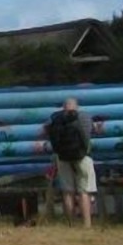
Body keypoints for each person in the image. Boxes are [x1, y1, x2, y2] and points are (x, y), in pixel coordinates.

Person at [45, 97, 96, 227]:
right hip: (83, 157)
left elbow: (46, 130)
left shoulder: (55, 119)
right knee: (84, 191)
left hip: (63, 157)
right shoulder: (84, 116)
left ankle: (71, 224)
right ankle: (87, 224)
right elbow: (92, 132)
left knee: (68, 191)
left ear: (63, 107)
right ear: (77, 107)